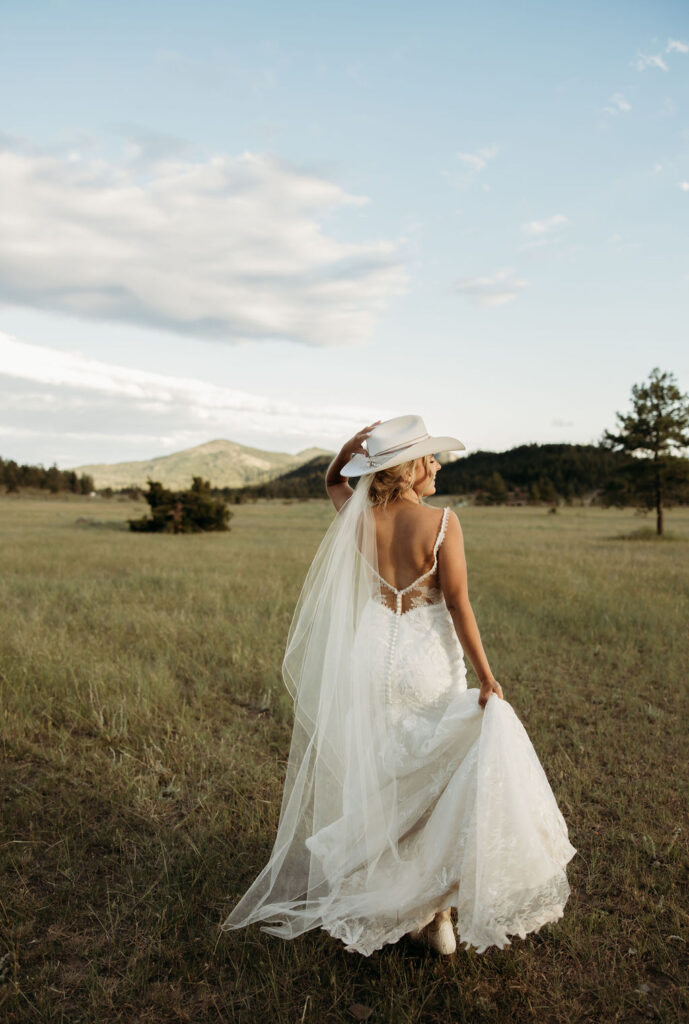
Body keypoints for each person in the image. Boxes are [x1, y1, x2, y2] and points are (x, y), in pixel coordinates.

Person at [221, 415, 576, 957]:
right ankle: (434, 912)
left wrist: (347, 449)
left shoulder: (360, 519)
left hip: (372, 653)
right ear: (407, 468)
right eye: (429, 458)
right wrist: (488, 677)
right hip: (425, 659)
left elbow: (333, 482)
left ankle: (403, 900)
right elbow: (457, 604)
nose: (437, 465)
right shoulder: (441, 523)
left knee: (385, 775)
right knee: (434, 773)